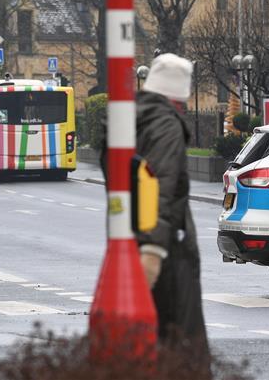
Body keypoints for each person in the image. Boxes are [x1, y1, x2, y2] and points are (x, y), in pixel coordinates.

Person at [105, 53, 208, 351]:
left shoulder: (129, 120)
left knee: (145, 342)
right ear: (178, 98)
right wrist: (152, 249)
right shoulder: (166, 126)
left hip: (129, 240)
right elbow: (160, 187)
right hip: (166, 250)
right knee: (182, 342)